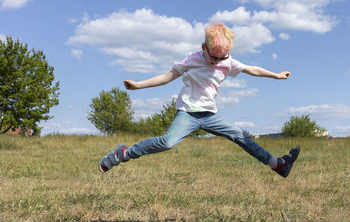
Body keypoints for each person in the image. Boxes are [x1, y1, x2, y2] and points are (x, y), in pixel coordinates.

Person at [99, 23, 300, 178]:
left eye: (222, 58)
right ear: (204, 47)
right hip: (188, 112)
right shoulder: (193, 60)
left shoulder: (227, 61)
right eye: (214, 57)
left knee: (242, 137)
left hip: (210, 114)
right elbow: (167, 76)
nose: (218, 62)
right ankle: (123, 153)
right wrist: (138, 85)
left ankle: (278, 164)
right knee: (167, 142)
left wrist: (276, 75)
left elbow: (251, 69)